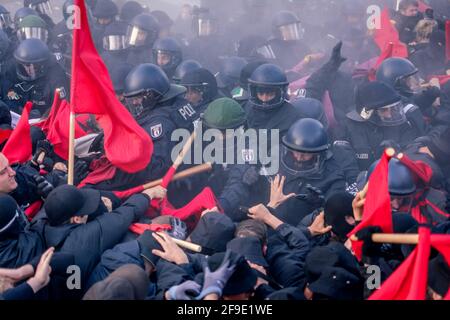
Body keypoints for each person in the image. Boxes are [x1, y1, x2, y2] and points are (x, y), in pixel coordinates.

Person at [345, 81, 421, 170]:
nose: (389, 115)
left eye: (393, 109)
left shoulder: (401, 125)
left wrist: (397, 152)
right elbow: (347, 166)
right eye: (384, 110)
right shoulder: (351, 129)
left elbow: (411, 150)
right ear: (370, 112)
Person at [3, 38, 69, 118]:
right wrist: (18, 109)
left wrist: (45, 116)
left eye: (35, 66)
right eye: (26, 65)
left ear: (43, 63)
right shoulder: (11, 69)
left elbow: (62, 105)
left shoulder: (56, 77)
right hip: (17, 116)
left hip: (43, 121)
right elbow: (6, 90)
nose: (30, 70)